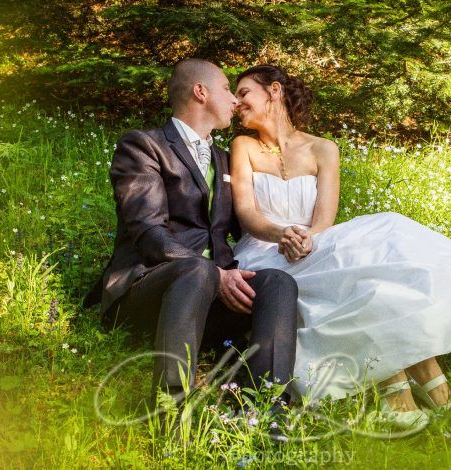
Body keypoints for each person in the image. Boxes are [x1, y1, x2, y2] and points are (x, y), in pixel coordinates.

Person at [230, 65, 451, 433]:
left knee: (383, 246)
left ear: (273, 91)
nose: (236, 102)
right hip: (266, 250)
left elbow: (324, 219)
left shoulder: (324, 149)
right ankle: (412, 393)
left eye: (244, 92)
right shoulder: (242, 146)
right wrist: (283, 234)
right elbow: (246, 214)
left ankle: (414, 389)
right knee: (357, 273)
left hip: (313, 244)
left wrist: (307, 238)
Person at [91, 59, 299, 404]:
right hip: (149, 290)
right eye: (226, 89)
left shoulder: (223, 157)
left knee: (277, 282)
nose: (235, 100)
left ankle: (265, 406)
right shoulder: (143, 146)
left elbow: (243, 222)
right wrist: (216, 274)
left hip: (209, 303)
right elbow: (147, 232)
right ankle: (172, 408)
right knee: (197, 269)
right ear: (200, 92)